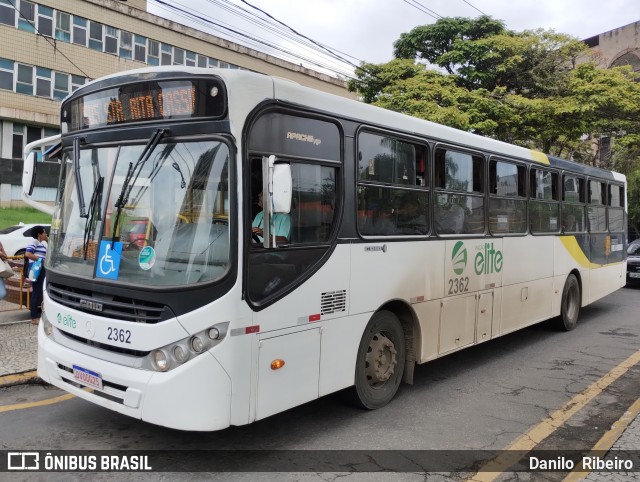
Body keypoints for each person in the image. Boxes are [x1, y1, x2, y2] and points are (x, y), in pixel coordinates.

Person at [25, 225, 48, 325]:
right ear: (39, 234)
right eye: (44, 232)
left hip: (40, 269)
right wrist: (41, 260)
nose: (46, 234)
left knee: (39, 291)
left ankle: (38, 315)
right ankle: (34, 318)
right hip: (37, 269)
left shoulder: (40, 243)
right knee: (37, 292)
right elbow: (28, 254)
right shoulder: (34, 242)